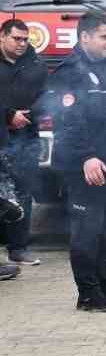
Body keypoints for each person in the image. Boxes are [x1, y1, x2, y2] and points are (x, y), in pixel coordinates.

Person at [46, 12, 106, 311]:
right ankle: (87, 294)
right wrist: (87, 157)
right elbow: (68, 122)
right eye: (105, 37)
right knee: (86, 230)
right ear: (85, 37)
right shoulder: (69, 71)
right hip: (84, 166)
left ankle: (103, 284)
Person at [0, 19, 47, 267]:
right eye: (16, 38)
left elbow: (46, 96)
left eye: (24, 39)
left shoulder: (36, 66)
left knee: (24, 192)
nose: (21, 44)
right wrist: (9, 115)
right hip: (1, 136)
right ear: (2, 37)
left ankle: (19, 248)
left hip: (27, 136)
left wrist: (28, 116)